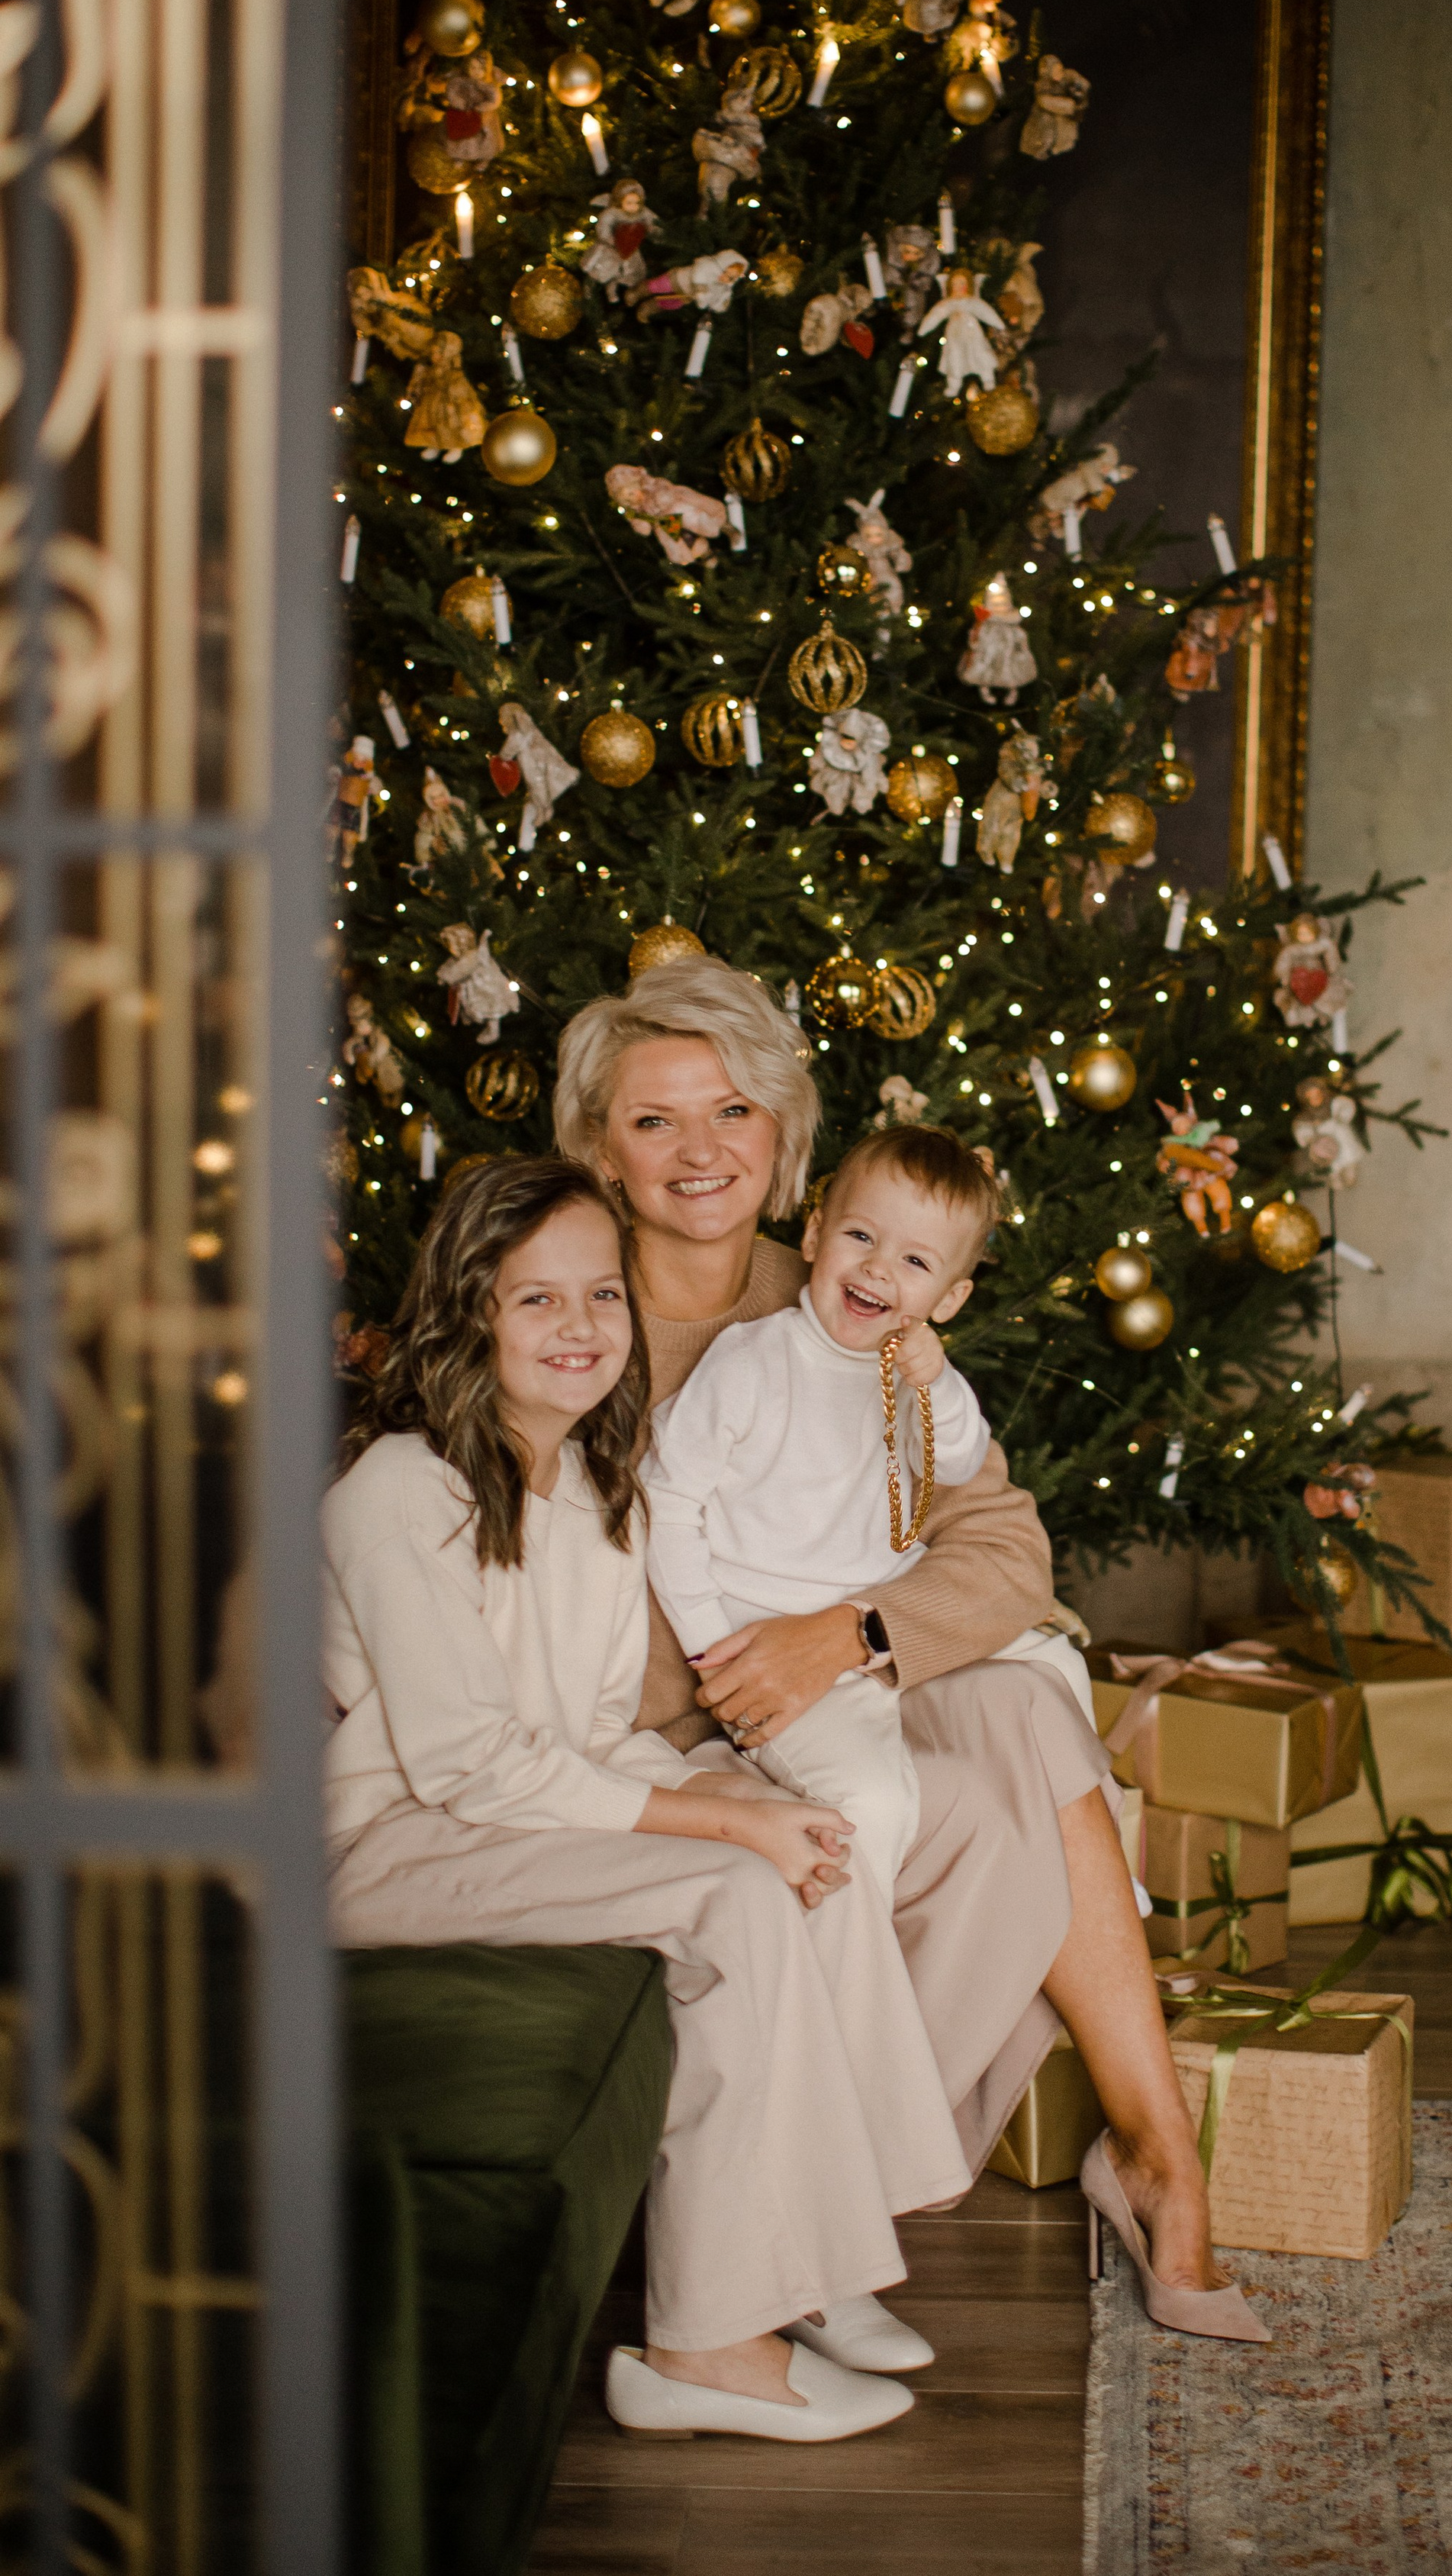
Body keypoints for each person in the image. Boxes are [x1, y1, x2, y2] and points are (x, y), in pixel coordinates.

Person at [555, 956, 1267, 2343]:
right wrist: (736, 1678)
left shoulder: (856, 1294)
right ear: (598, 1148)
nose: (702, 1152)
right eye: (656, 1122)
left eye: (735, 1113)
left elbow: (1005, 1550)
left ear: (788, 1145)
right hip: (665, 1725)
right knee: (997, 1805)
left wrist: (850, 1633)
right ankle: (891, 2205)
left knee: (1026, 1720)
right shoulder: (566, 1310)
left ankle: (1150, 2150)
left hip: (834, 1694)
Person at [323, 1156, 976, 2442]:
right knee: (738, 1883)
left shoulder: (589, 1488)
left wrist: (739, 1796)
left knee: (814, 1850)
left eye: (602, 1298)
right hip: (385, 1844)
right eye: (535, 1303)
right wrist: (727, 1818)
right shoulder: (403, 1492)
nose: (580, 1332)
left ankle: (834, 2260)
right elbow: (470, 1765)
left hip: (505, 1817)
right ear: (470, 1316)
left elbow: (587, 1734)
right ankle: (705, 2345)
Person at [643, 1122, 1092, 1904]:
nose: (878, 1270)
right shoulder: (753, 1361)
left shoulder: (907, 1368)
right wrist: (710, 1646)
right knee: (874, 1803)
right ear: (816, 1233)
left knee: (1057, 1663)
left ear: (947, 1299)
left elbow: (954, 1464)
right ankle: (854, 1968)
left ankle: (1107, 1876)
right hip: (768, 1622)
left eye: (914, 1262)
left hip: (871, 1601)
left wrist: (940, 1384)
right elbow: (669, 1503)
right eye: (860, 1236)